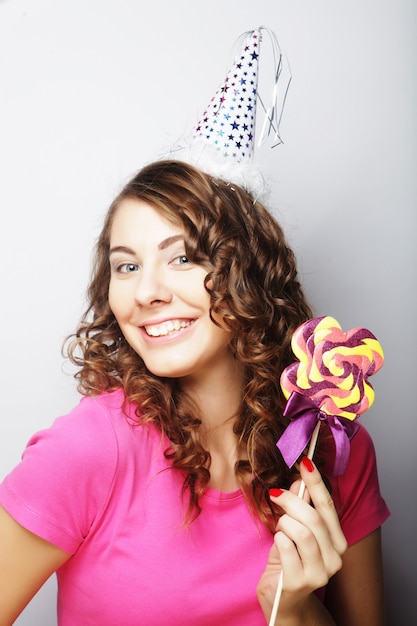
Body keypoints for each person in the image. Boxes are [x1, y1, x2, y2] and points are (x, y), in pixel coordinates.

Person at [0, 159, 389, 625]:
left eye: (182, 257)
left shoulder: (336, 450)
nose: (145, 292)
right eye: (126, 266)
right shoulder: (86, 448)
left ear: (248, 271)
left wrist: (294, 613)